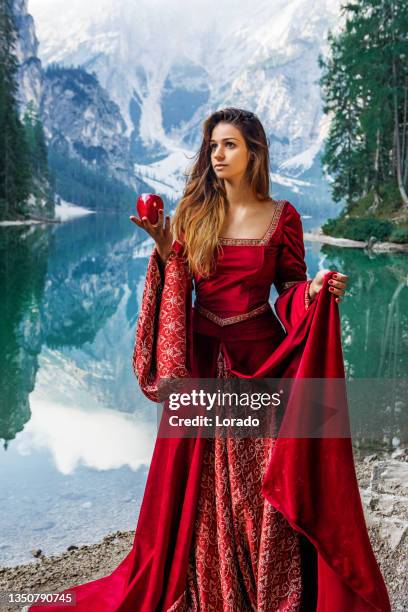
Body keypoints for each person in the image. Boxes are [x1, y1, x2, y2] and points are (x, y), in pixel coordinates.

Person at [27, 108, 391, 611]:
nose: (217, 155)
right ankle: (206, 588)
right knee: (194, 481)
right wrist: (163, 249)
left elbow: (285, 291)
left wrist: (309, 291)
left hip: (258, 360)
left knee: (263, 480)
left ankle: (270, 587)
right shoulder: (194, 213)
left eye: (230, 145)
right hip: (200, 359)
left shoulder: (282, 216)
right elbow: (179, 277)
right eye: (213, 146)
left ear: (254, 153)